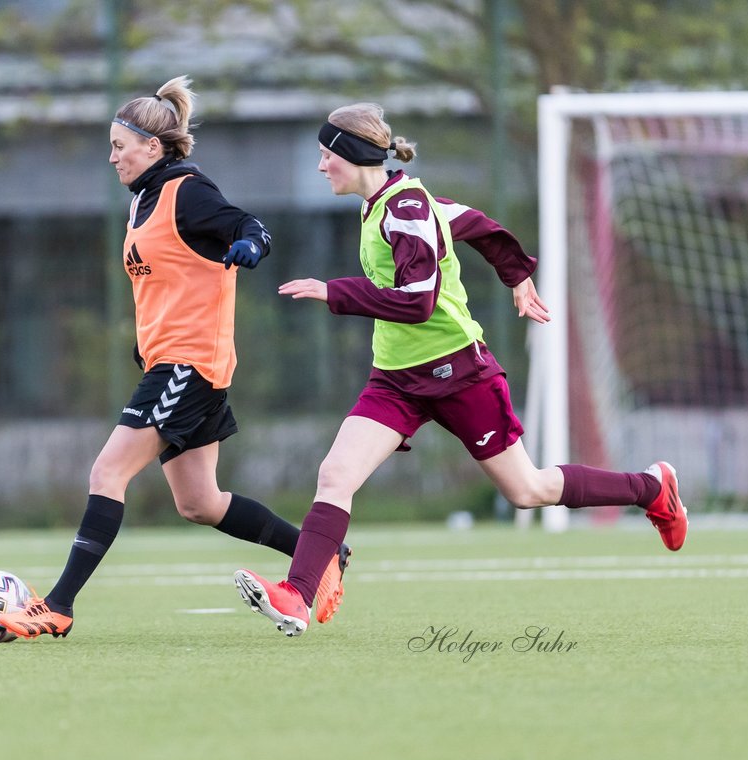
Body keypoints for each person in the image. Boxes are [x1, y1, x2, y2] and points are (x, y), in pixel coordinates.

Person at [234, 103, 688, 637]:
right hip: (397, 379)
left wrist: (334, 291)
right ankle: (297, 596)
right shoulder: (389, 204)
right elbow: (474, 223)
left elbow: (418, 301)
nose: (319, 167)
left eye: (325, 155)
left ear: (352, 156)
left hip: (458, 373)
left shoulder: (403, 209)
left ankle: (650, 488)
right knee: (335, 474)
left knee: (528, 490)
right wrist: (516, 273)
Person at [0, 76, 349, 639]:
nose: (111, 156)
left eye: (119, 145)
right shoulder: (143, 200)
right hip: (178, 364)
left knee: (108, 471)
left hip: (188, 365)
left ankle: (57, 605)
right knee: (200, 503)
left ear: (153, 148)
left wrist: (250, 246)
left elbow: (249, 225)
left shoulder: (187, 189)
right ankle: (325, 554)